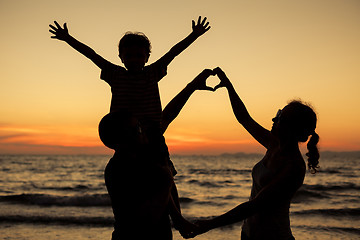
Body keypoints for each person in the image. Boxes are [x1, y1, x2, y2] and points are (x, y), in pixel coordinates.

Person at [184, 67, 320, 240]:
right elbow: (244, 118)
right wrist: (228, 86)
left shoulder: (294, 167)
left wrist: (209, 224)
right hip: (248, 234)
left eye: (279, 118)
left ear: (292, 129)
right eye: (277, 113)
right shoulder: (273, 145)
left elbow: (255, 205)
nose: (273, 119)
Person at [98, 69, 215, 240]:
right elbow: (144, 218)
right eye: (138, 128)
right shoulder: (120, 170)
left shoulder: (141, 157)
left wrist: (192, 87)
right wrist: (166, 179)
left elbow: (167, 116)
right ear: (124, 138)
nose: (144, 129)